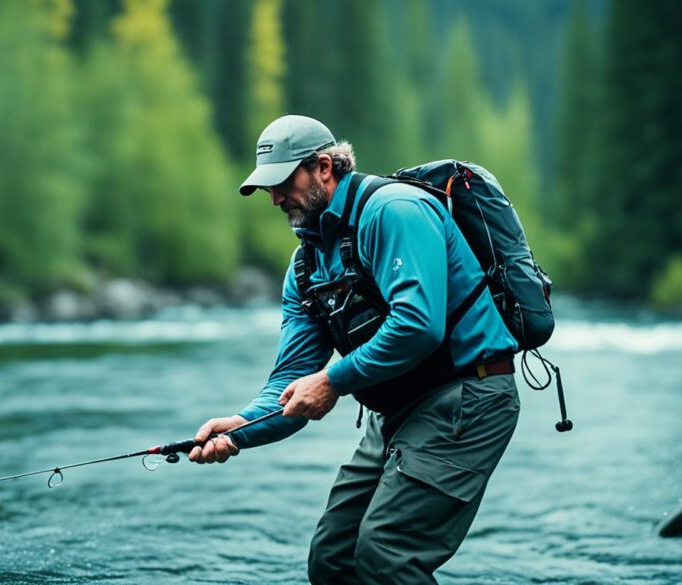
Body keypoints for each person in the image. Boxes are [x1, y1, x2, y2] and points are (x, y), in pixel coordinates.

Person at [189, 114, 521, 585]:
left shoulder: (395, 211)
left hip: (469, 397)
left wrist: (332, 381)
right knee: (332, 559)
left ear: (324, 167)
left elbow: (417, 326)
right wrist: (241, 428)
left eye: (283, 181)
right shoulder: (306, 264)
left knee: (387, 554)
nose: (275, 197)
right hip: (396, 411)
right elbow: (290, 383)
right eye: (267, 187)